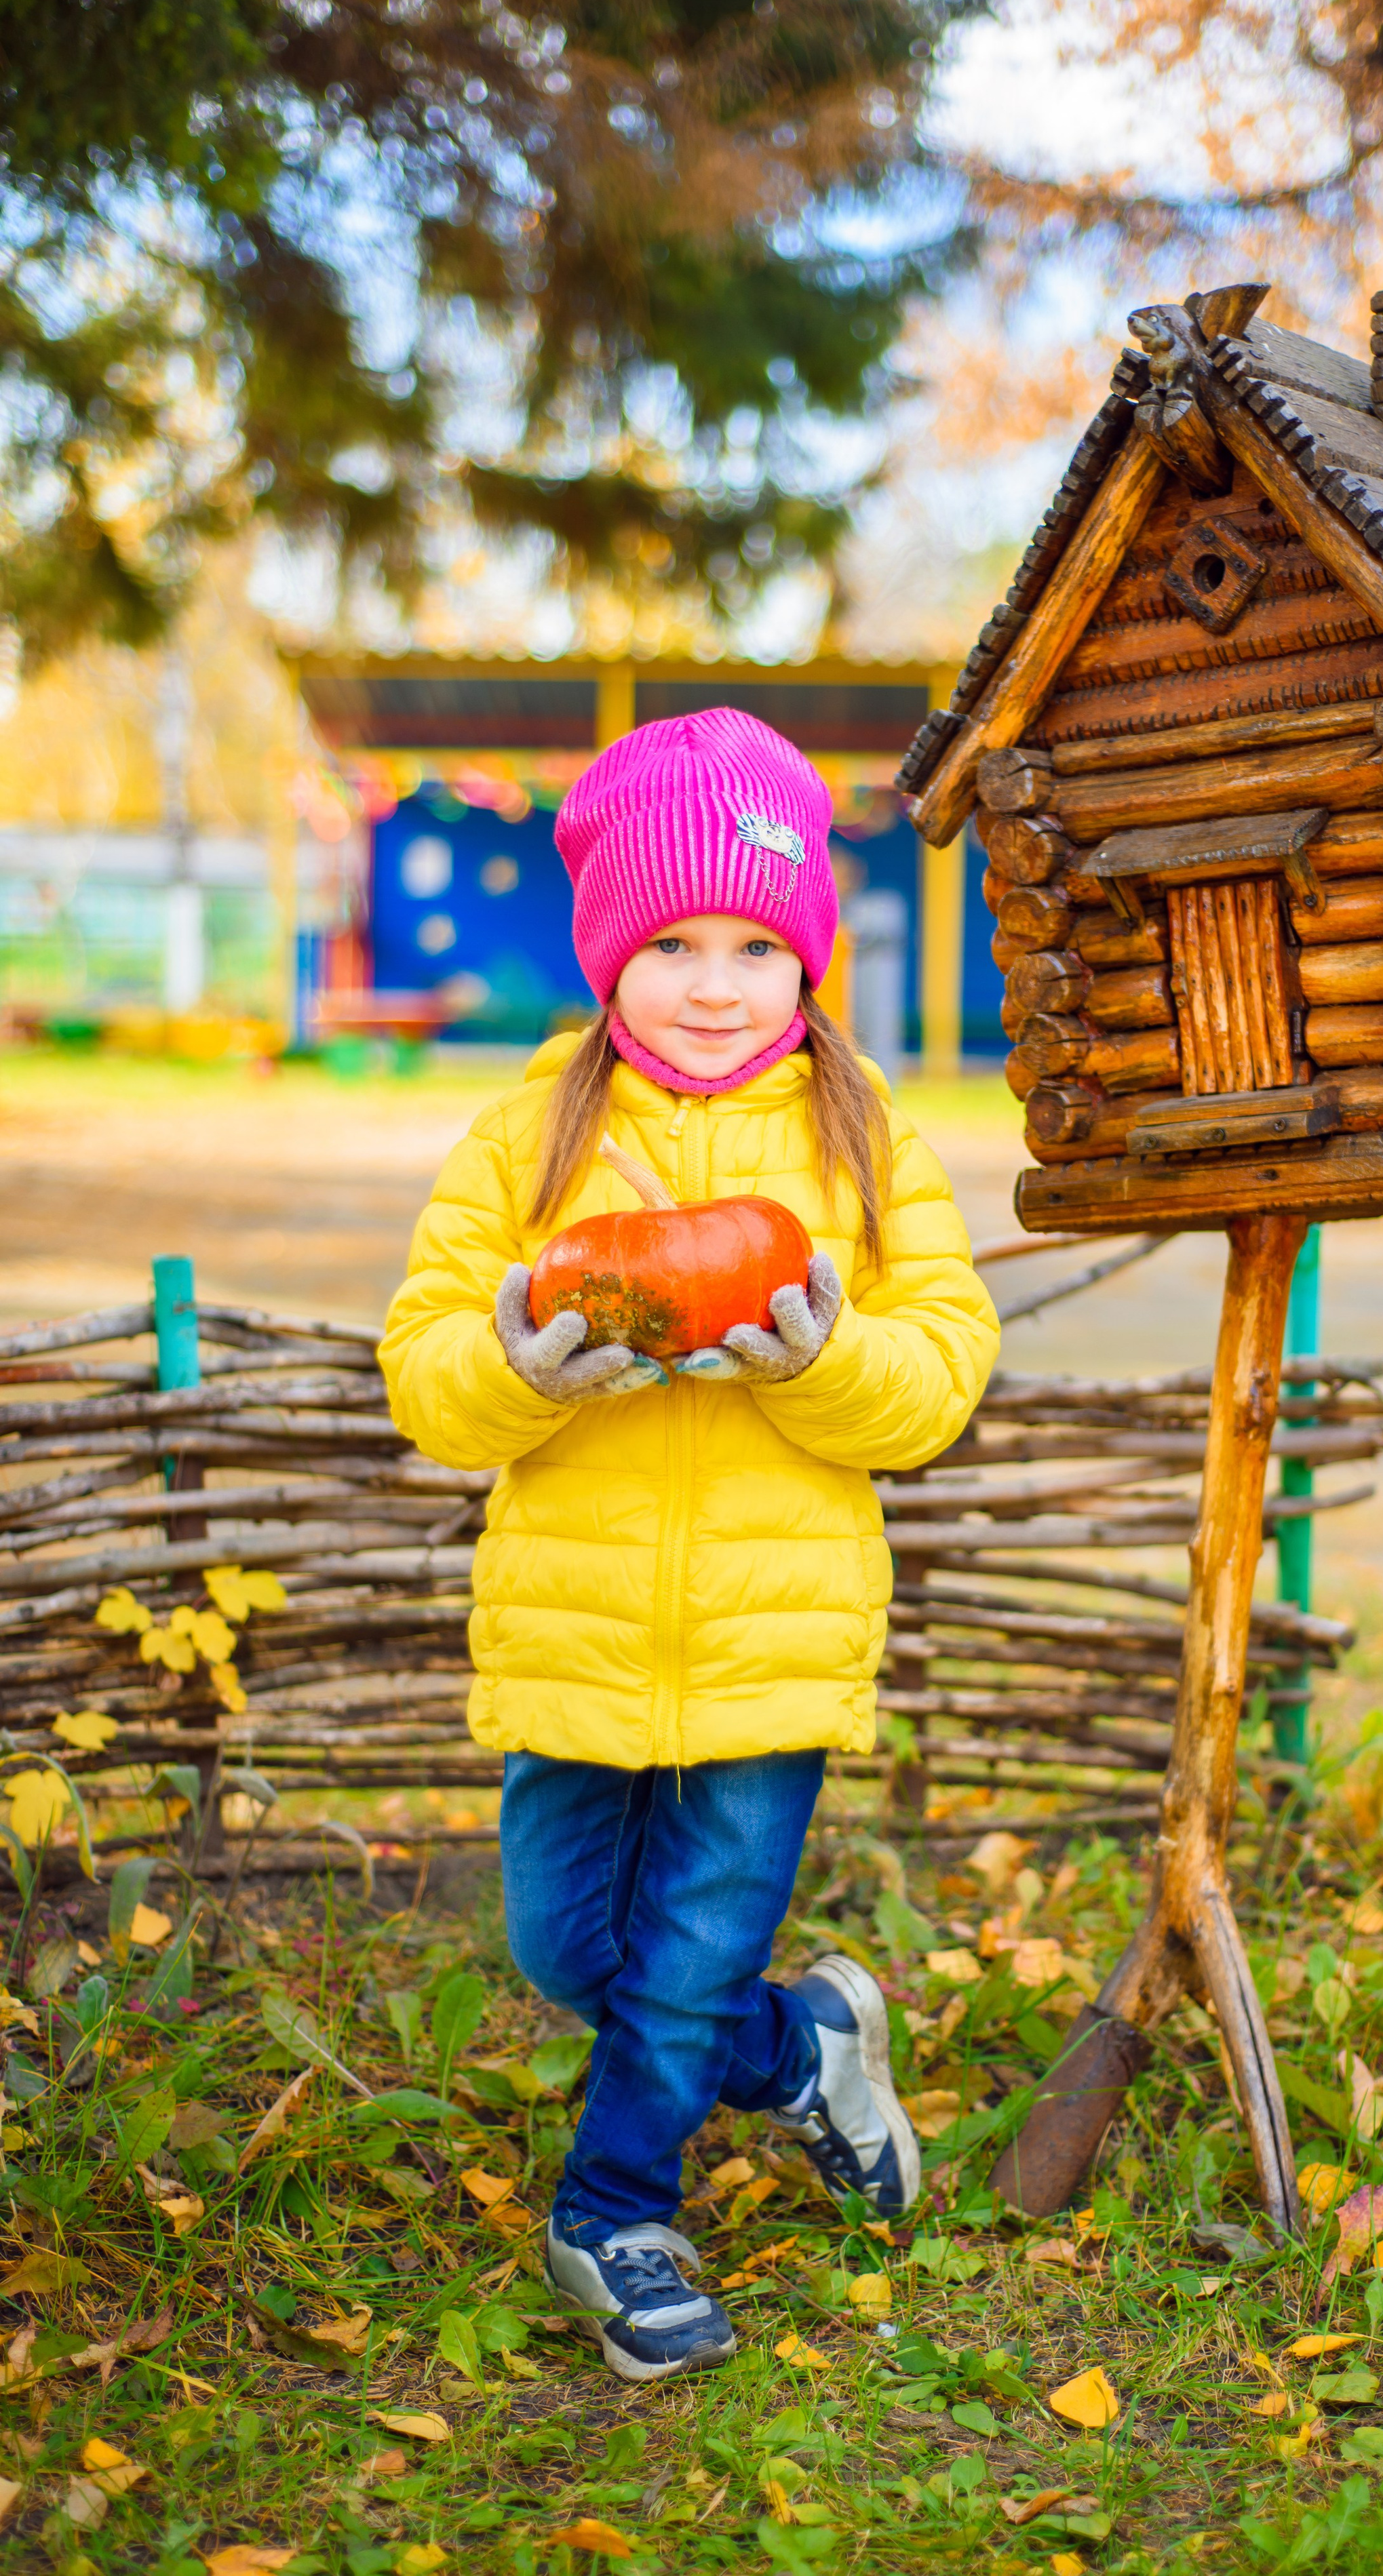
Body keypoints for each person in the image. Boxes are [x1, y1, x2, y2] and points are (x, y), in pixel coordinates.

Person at [381, 709, 999, 2383]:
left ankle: (615, 2215)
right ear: (606, 949)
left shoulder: (863, 1139)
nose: (715, 986)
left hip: (772, 1633)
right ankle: (799, 2052)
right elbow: (424, 1371)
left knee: (685, 1959)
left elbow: (941, 1371)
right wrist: (517, 1368)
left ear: (805, 953)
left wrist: (820, 1360)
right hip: (572, 1624)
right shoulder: (530, 1137)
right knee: (567, 1948)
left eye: (753, 945)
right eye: (670, 945)